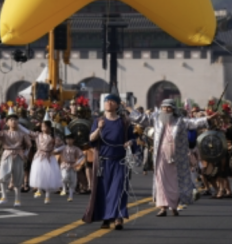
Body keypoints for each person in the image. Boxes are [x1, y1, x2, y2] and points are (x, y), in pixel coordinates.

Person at [131, 100, 213, 216]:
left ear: (173, 109)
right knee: (161, 181)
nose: (166, 110)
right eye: (164, 107)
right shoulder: (156, 119)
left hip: (176, 155)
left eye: (169, 108)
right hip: (161, 155)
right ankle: (163, 207)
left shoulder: (180, 121)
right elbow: (142, 119)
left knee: (175, 181)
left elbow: (193, 123)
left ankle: (174, 206)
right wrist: (131, 111)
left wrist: (207, 119)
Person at [83, 94, 137, 230]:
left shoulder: (124, 122)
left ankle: (118, 218)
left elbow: (133, 139)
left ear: (117, 105)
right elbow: (91, 139)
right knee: (104, 191)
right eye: (107, 101)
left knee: (119, 190)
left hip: (120, 161)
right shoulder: (99, 121)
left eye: (112, 101)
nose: (109, 103)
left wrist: (130, 142)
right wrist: (99, 128)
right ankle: (106, 219)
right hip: (103, 162)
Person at [0, 109, 31, 206]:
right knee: (2, 176)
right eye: (11, 120)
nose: (13, 121)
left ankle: (17, 199)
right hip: (7, 154)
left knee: (18, 177)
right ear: (7, 122)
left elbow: (28, 145)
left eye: (15, 120)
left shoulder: (22, 134)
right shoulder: (4, 133)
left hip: (19, 155)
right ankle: (4, 196)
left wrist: (25, 154)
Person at [24, 120, 64, 203]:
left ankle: (47, 196)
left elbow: (63, 146)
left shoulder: (53, 137)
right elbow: (28, 132)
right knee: (38, 173)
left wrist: (55, 150)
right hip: (39, 156)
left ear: (49, 127)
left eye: (44, 126)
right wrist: (19, 126)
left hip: (49, 157)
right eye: (42, 126)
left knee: (48, 176)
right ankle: (39, 190)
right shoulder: (38, 135)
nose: (42, 128)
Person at [59, 133, 85, 202]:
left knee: (72, 181)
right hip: (65, 164)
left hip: (72, 165)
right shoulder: (63, 147)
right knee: (64, 177)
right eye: (67, 139)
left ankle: (70, 196)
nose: (68, 141)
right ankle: (64, 188)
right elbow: (56, 150)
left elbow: (82, 156)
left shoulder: (76, 148)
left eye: (70, 139)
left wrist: (77, 163)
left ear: (73, 140)